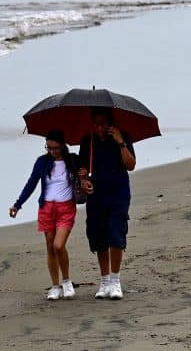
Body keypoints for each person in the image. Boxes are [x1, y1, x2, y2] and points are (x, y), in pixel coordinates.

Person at [9, 130, 82, 300]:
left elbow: (84, 178)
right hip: (47, 208)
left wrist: (84, 177)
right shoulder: (42, 162)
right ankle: (55, 286)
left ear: (63, 145)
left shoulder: (72, 160)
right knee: (50, 247)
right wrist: (18, 204)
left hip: (66, 208)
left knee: (58, 245)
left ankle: (66, 281)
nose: (52, 151)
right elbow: (32, 183)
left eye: (55, 148)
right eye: (48, 148)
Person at [77, 107, 136, 300]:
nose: (100, 127)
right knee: (98, 235)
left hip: (118, 192)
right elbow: (82, 168)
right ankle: (104, 280)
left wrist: (120, 142)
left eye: (104, 124)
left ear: (111, 124)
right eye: (97, 124)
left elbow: (131, 165)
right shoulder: (88, 141)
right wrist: (83, 179)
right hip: (96, 195)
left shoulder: (122, 137)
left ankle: (115, 279)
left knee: (116, 232)